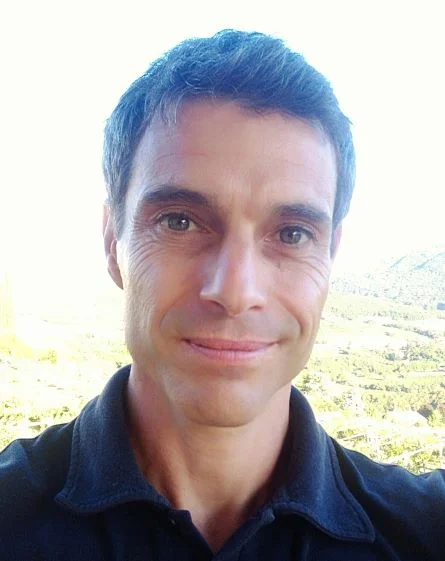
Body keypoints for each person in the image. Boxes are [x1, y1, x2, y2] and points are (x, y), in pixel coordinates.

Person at [0, 29, 443, 561]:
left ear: (330, 254)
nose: (235, 292)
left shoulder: (424, 533)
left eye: (292, 233)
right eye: (180, 221)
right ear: (113, 241)